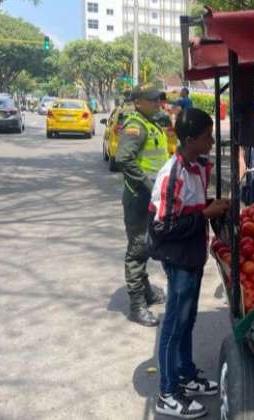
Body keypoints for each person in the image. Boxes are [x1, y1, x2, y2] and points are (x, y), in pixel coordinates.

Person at [148, 108, 226, 419]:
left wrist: (212, 206)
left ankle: (186, 375)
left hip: (194, 252)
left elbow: (190, 208)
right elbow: (162, 227)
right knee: (174, 324)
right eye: (207, 136)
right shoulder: (173, 174)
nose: (212, 140)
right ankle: (167, 393)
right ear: (191, 139)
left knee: (188, 318)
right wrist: (205, 214)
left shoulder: (199, 167)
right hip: (178, 257)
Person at [115, 83, 170, 327]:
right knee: (137, 249)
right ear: (138, 102)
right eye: (152, 99)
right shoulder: (135, 126)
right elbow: (123, 159)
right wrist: (149, 185)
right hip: (139, 197)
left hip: (153, 196)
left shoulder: (152, 122)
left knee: (147, 245)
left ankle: (146, 291)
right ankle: (137, 305)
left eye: (159, 98)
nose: (158, 102)